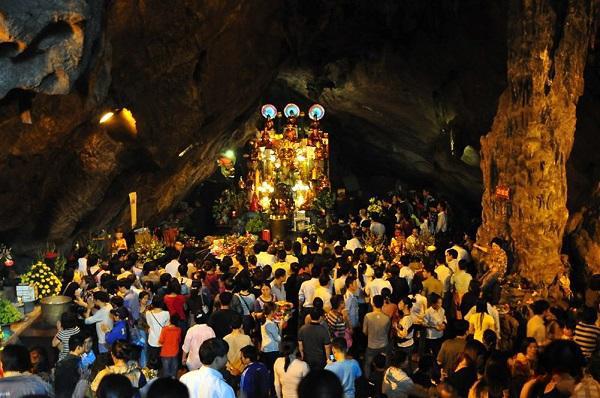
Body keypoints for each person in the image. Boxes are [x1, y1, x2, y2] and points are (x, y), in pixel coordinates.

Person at [363, 295, 391, 378]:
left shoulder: (368, 316)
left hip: (371, 345)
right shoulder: (387, 318)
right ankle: (384, 380)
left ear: (373, 303)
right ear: (382, 303)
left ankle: (367, 381)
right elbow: (387, 331)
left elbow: (364, 332)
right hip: (384, 344)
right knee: (385, 363)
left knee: (368, 364)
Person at [54, 332, 87, 398]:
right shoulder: (79, 362)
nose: (86, 347)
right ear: (78, 348)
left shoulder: (61, 362)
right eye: (84, 345)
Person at [146, 296, 170, 366]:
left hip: (152, 339)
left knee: (153, 358)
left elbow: (149, 324)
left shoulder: (148, 313)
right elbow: (167, 326)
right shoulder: (166, 314)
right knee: (162, 358)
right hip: (163, 340)